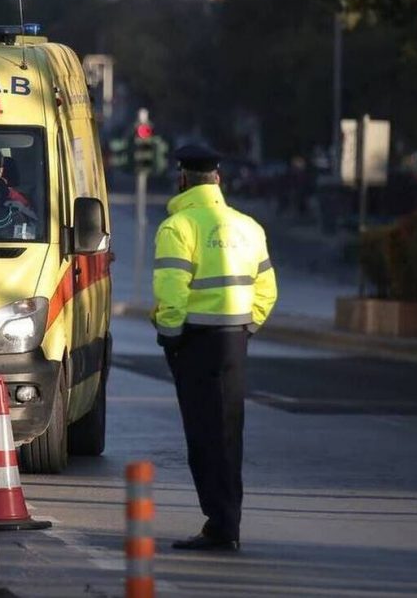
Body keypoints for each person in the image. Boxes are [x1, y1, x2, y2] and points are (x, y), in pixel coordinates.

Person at [152, 144, 278, 552]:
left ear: (182, 179)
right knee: (227, 433)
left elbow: (171, 291)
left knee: (203, 435)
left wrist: (170, 335)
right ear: (218, 179)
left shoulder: (178, 227)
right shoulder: (249, 227)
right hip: (234, 341)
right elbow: (267, 290)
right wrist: (247, 326)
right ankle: (225, 521)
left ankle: (221, 525)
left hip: (195, 343)